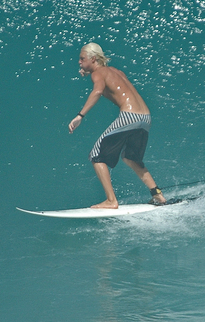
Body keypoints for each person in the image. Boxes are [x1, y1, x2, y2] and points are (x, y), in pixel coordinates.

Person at [68, 42, 168, 208]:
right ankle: (158, 195)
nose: (79, 62)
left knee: (96, 156)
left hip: (129, 116)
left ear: (93, 59)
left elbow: (98, 91)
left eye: (82, 58)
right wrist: (87, 71)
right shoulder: (116, 71)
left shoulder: (98, 73)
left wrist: (80, 115)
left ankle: (111, 200)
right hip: (145, 117)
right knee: (131, 158)